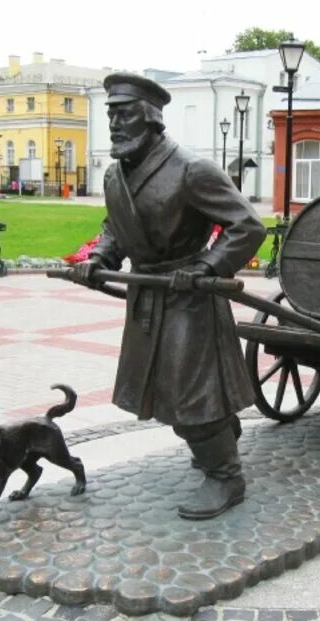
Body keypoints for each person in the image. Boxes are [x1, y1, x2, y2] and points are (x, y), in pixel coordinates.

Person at [73, 73, 266, 520]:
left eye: (124, 116)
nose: (115, 125)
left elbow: (247, 227)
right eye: (111, 116)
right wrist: (100, 256)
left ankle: (226, 476)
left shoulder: (192, 170)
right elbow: (116, 224)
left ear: (150, 120)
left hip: (189, 297)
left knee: (188, 390)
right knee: (162, 388)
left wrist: (205, 268)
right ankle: (218, 440)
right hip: (148, 295)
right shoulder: (116, 173)